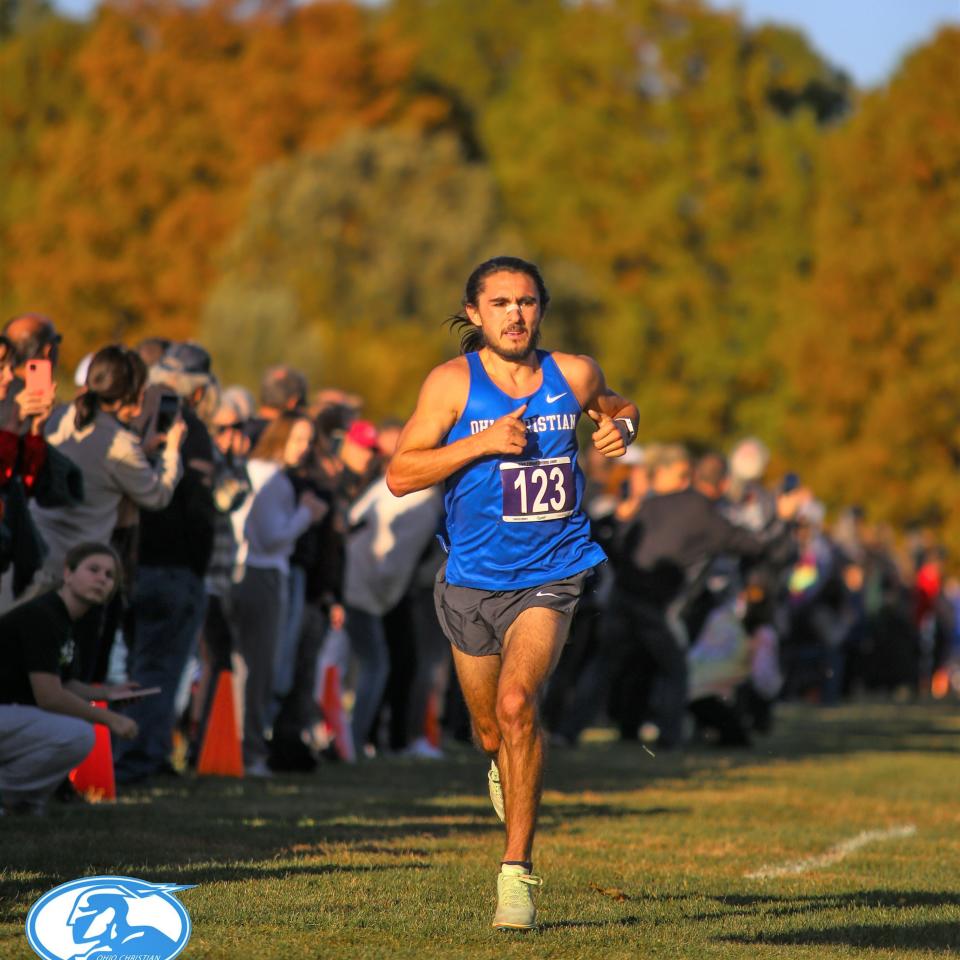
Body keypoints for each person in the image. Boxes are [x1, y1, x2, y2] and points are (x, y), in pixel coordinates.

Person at [385, 255, 638, 930]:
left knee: (519, 703)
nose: (515, 315)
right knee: (491, 728)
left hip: (553, 572)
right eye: (500, 303)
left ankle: (515, 875)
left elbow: (613, 402)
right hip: (471, 581)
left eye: (526, 302)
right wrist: (483, 443)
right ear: (475, 313)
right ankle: (503, 761)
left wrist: (623, 426)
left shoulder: (572, 373)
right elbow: (401, 475)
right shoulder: (450, 386)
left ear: (541, 309)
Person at [0, 542, 139, 815]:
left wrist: (108, 694)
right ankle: (11, 796)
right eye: (94, 569)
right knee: (76, 734)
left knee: (73, 731)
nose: (102, 578)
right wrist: (111, 719)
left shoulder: (66, 618)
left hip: (11, 714)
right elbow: (49, 696)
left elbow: (62, 683)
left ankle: (24, 803)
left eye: (110, 576)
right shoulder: (44, 616)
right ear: (68, 573)